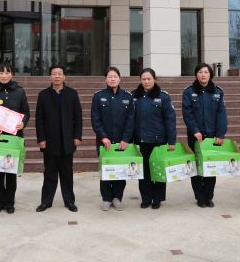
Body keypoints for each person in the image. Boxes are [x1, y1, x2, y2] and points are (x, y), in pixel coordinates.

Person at [0, 63, 30, 215]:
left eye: (7, 72)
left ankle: (9, 202)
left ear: (12, 74)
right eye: (1, 72)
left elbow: (26, 112)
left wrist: (23, 123)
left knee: (11, 173)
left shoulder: (19, 91)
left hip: (14, 137)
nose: (4, 75)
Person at [35, 64, 82, 213]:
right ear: (50, 77)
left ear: (64, 76)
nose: (57, 76)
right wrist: (41, 138)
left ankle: (69, 201)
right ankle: (46, 201)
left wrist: (77, 136)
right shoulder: (43, 95)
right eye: (54, 74)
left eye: (59, 73)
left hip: (67, 141)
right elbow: (39, 119)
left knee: (67, 173)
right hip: (50, 141)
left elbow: (78, 117)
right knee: (49, 172)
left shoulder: (72, 94)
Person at [182, 63, 228, 208]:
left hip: (212, 136)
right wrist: (195, 131)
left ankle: (209, 196)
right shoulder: (189, 92)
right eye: (200, 72)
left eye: (206, 72)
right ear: (196, 74)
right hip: (195, 136)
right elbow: (187, 114)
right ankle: (199, 197)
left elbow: (222, 114)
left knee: (211, 166)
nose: (203, 75)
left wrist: (220, 133)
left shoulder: (218, 92)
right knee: (196, 167)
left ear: (210, 74)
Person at [91, 66, 135, 211]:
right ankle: (106, 198)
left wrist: (126, 139)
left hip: (122, 142)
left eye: (115, 76)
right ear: (105, 79)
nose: (112, 79)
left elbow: (131, 120)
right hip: (104, 142)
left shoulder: (127, 97)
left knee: (121, 170)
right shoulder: (98, 96)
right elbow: (95, 119)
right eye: (110, 76)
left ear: (119, 79)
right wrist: (103, 137)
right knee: (106, 169)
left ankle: (117, 198)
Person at [132, 68, 176, 210]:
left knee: (158, 170)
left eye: (149, 79)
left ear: (154, 79)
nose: (146, 82)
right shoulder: (134, 96)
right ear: (140, 80)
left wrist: (171, 140)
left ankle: (157, 199)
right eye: (143, 79)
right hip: (141, 140)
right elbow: (130, 119)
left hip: (158, 141)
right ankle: (146, 198)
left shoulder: (163, 96)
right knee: (144, 172)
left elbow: (170, 120)